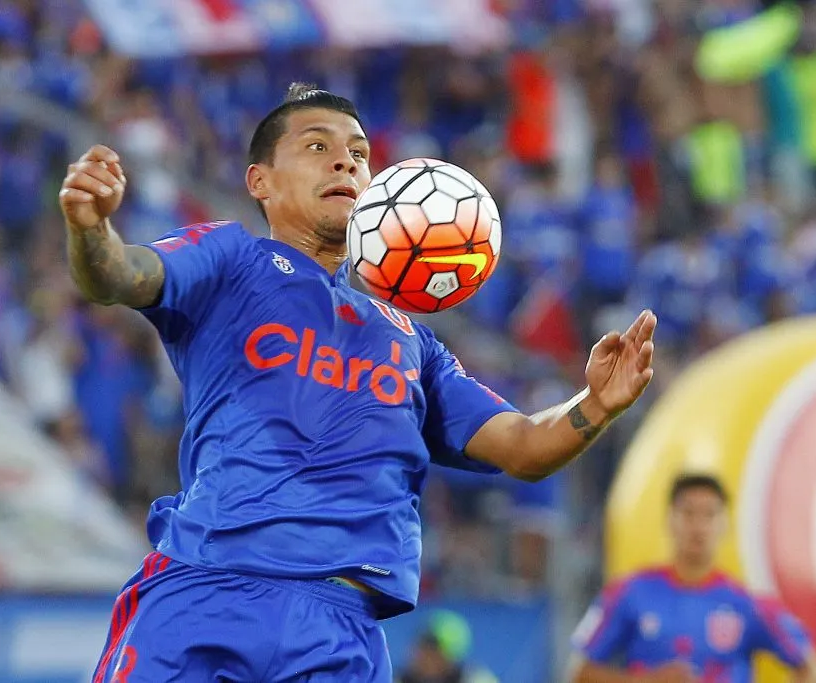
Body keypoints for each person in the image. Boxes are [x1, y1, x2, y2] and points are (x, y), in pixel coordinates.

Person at [58, 82, 657, 682]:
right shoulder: (231, 259)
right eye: (316, 146)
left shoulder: (413, 343)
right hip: (208, 591)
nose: (346, 160)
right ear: (259, 181)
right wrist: (91, 231)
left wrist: (595, 405)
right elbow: (123, 274)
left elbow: (524, 447)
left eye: (360, 153)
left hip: (339, 631)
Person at [566, 474, 816, 683]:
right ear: (670, 519)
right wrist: (646, 682)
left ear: (724, 524)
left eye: (709, 514)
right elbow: (579, 672)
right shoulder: (629, 593)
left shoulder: (748, 604)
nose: (698, 526)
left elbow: (812, 668)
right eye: (688, 513)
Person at [397, 610, 499, 683]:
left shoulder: (477, 680)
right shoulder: (393, 679)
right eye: (421, 648)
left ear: (451, 658)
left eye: (432, 652)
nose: (422, 657)